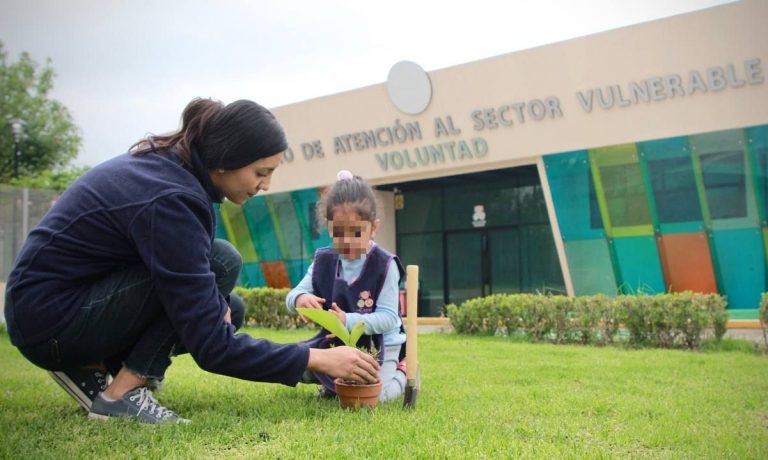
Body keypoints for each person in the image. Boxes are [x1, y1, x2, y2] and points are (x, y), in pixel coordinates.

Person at [3, 98, 379, 424]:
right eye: (261, 172)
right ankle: (121, 394)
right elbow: (212, 349)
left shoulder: (179, 172)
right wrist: (315, 359)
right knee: (220, 263)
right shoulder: (171, 199)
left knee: (230, 300)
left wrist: (216, 307)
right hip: (49, 321)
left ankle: (95, 368)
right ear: (226, 161)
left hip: (60, 309)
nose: (265, 185)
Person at [286, 170, 407, 402]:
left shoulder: (384, 265)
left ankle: (403, 370)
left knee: (373, 396)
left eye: (356, 232)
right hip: (337, 344)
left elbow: (389, 318)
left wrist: (347, 321)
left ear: (373, 228)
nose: (347, 240)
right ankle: (332, 383)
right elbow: (293, 295)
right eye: (338, 232)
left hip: (380, 344)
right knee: (296, 366)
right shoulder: (324, 260)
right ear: (329, 227)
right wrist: (300, 300)